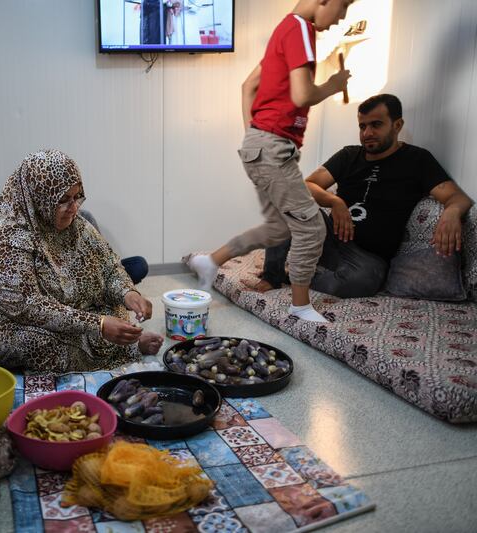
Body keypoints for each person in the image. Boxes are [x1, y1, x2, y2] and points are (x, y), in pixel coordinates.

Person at [184, 0, 353, 322]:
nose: (339, 18)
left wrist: (254, 134)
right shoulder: (301, 29)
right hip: (273, 147)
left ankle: (211, 261)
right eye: (343, 7)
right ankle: (300, 305)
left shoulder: (284, 29)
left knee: (279, 228)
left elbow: (249, 86)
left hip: (263, 146)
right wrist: (334, 84)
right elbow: (302, 95)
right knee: (312, 227)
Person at [0, 149, 164, 372]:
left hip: (56, 305)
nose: (73, 208)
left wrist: (128, 294)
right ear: (39, 198)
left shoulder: (76, 225)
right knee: (42, 345)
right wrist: (98, 324)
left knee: (115, 308)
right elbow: (29, 308)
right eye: (63, 200)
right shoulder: (4, 241)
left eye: (77, 197)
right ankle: (127, 348)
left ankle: (117, 342)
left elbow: (109, 266)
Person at [249, 94, 473, 296]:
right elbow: (307, 184)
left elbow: (457, 198)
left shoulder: (417, 160)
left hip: (366, 258)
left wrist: (452, 212)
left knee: (361, 282)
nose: (367, 134)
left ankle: (298, 276)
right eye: (362, 126)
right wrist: (333, 201)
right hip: (329, 239)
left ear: (397, 125)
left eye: (376, 125)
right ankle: (273, 275)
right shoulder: (349, 155)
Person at [78, 208, 149, 284]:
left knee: (139, 264)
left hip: (97, 270)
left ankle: (116, 288)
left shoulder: (85, 216)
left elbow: (103, 251)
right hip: (78, 277)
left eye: (76, 198)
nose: (73, 206)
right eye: (66, 199)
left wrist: (114, 266)